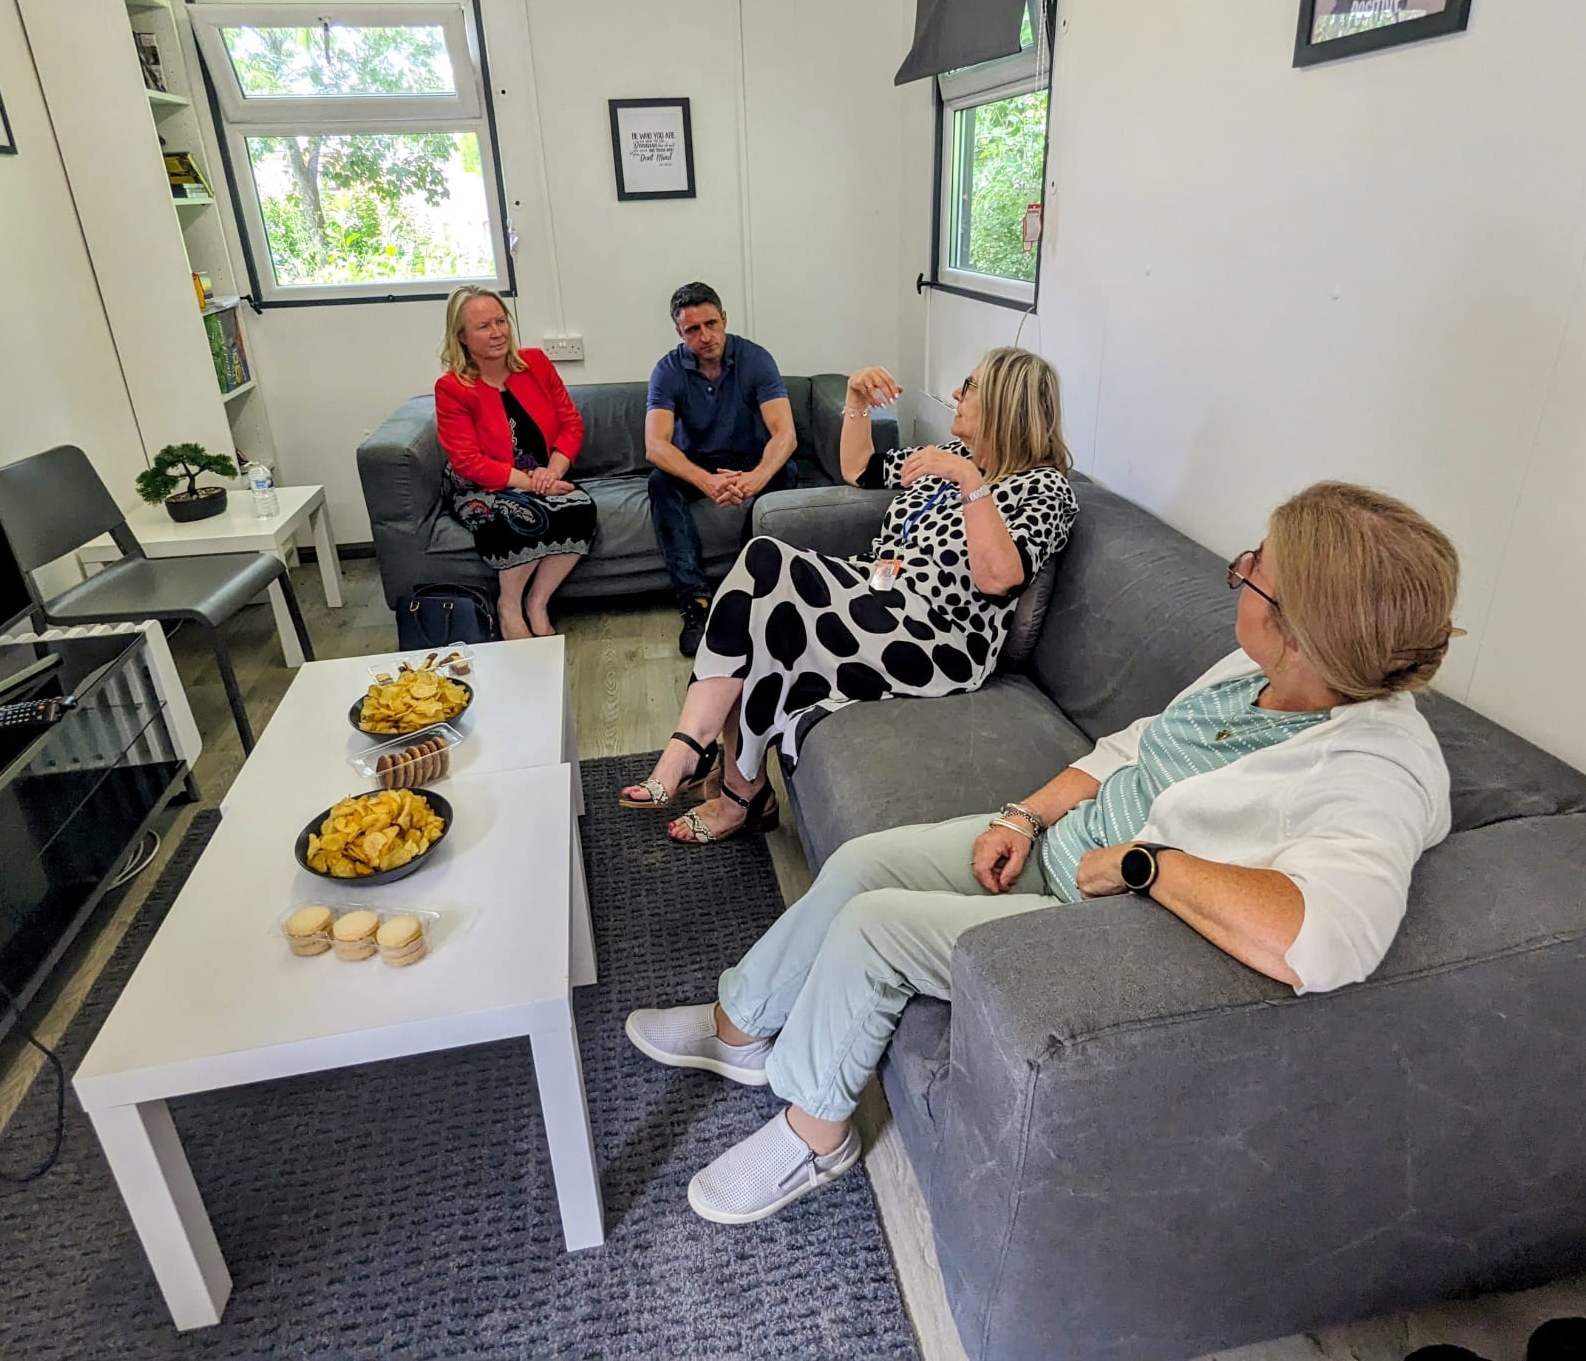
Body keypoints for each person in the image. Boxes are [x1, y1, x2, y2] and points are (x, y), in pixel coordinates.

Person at [624, 480, 1462, 1224]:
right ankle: (741, 1025)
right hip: (1048, 848)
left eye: (1253, 571)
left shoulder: (1376, 768)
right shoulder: (1254, 672)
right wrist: (1024, 817)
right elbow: (1133, 745)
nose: (1237, 572)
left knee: (872, 929)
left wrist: (1148, 866)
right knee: (860, 865)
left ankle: (816, 1133)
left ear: (1303, 630)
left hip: (1099, 927)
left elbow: (1325, 941)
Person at [618, 345, 1079, 845]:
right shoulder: (953, 459)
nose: (955, 394)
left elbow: (998, 579)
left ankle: (718, 772)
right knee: (762, 581)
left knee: (768, 568)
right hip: (874, 594)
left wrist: (970, 483)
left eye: (968, 387)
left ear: (1004, 404)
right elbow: (859, 467)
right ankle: (719, 770)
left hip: (936, 635)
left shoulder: (1044, 489)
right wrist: (857, 398)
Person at [645, 281, 800, 657]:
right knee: (660, 483)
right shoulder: (667, 370)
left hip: (749, 460)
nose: (706, 336)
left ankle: (745, 591)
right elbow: (656, 444)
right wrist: (707, 481)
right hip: (696, 463)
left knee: (787, 473)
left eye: (712, 324)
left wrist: (755, 478)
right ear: (679, 332)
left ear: (725, 319)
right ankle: (696, 604)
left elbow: (785, 434)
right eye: (693, 330)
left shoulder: (755, 358)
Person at [433, 286, 595, 640]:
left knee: (580, 509)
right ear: (461, 337)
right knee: (518, 521)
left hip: (546, 474)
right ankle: (509, 605)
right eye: (483, 326)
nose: (497, 332)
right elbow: (467, 460)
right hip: (483, 483)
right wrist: (531, 483)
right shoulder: (452, 388)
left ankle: (538, 601)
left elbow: (571, 424)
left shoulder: (535, 363)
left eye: (500, 321)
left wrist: (552, 472)